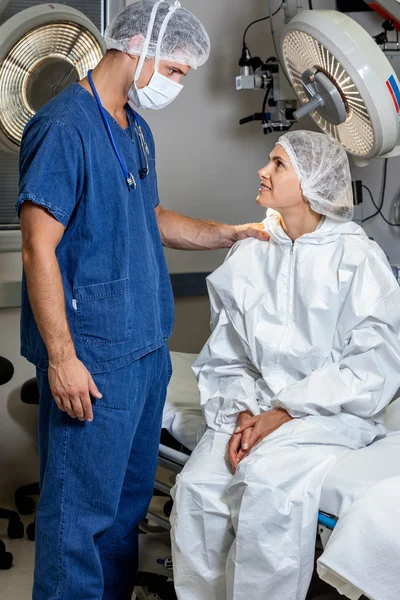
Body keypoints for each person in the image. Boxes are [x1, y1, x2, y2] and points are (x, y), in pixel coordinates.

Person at [17, 1, 268, 598]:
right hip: (93, 357)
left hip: (145, 347)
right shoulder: (63, 127)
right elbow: (37, 248)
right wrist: (61, 357)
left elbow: (149, 216)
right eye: (177, 71)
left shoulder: (136, 128)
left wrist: (230, 232)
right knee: (79, 519)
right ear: (137, 47)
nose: (177, 86)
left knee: (126, 513)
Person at [171, 130, 400, 600]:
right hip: (250, 409)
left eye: (278, 164)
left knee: (267, 491)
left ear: (313, 183)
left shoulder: (355, 257)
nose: (262, 170)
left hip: (329, 415)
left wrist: (285, 411)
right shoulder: (254, 248)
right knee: (198, 489)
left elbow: (373, 369)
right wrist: (240, 414)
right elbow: (227, 353)